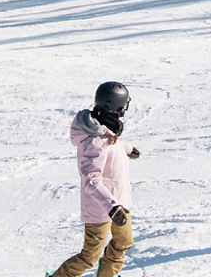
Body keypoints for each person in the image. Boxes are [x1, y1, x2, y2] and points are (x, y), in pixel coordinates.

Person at [52, 81, 140, 277]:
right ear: (116, 106)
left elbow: (113, 142)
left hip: (119, 203)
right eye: (125, 105)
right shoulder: (93, 141)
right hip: (101, 209)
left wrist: (128, 148)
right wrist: (111, 207)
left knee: (123, 242)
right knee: (89, 257)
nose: (126, 109)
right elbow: (91, 179)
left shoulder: (106, 129)